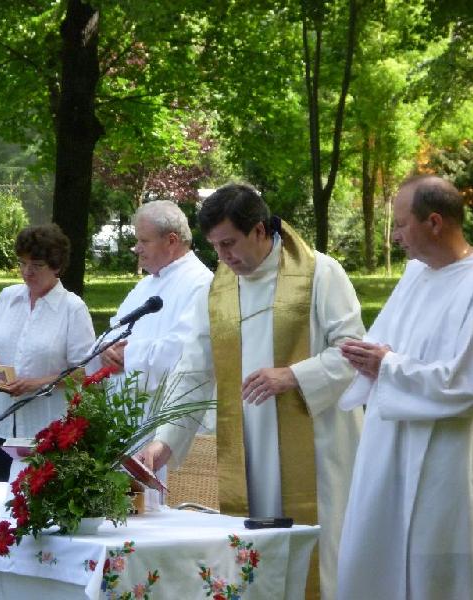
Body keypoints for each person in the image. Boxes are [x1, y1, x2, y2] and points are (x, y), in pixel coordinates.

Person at [142, 183, 365, 600]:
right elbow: (194, 369)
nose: (224, 258)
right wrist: (164, 442)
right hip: (248, 449)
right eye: (215, 248)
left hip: (316, 449)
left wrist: (295, 375)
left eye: (230, 243)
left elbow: (354, 353)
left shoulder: (321, 273)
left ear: (260, 230)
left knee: (320, 564)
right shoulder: (219, 289)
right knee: (253, 563)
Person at [336, 175, 473, 600]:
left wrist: (388, 365)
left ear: (435, 222)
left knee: (432, 578)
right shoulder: (415, 276)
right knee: (374, 561)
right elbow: (383, 345)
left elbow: (472, 385)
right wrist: (365, 356)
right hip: (388, 451)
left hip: (445, 464)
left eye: (402, 224)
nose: (395, 235)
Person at [86, 200, 214, 504]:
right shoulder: (144, 288)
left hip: (164, 423)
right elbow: (111, 333)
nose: (136, 249)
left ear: (172, 241)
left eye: (143, 241)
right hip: (127, 421)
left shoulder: (201, 284)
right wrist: (103, 352)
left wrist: (127, 356)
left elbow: (186, 351)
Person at [0, 224, 95, 482]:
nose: (26, 272)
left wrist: (36, 384)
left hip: (46, 429)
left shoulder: (72, 309)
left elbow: (85, 371)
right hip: (2, 423)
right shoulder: (7, 298)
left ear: (56, 266)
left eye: (36, 266)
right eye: (22, 263)